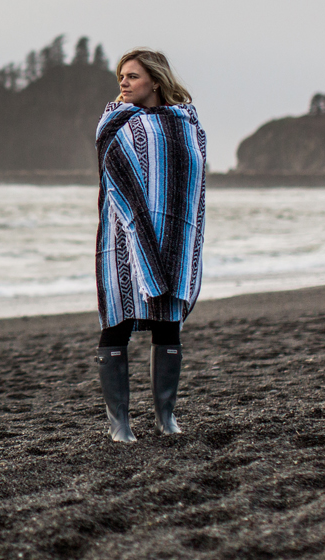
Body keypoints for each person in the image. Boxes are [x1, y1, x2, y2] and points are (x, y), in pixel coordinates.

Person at [94, 49, 206, 442]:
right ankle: (119, 426)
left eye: (132, 76)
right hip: (123, 236)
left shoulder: (186, 125)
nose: (123, 83)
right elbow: (116, 177)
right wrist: (138, 224)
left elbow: (190, 185)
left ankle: (165, 417)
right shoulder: (114, 122)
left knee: (167, 324)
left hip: (170, 237)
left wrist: (175, 231)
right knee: (117, 323)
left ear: (155, 81)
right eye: (121, 76)